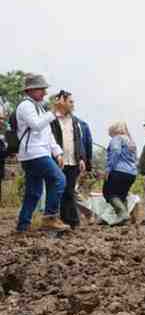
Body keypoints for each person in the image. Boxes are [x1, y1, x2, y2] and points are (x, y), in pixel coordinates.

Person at [14, 73, 69, 233]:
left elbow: (47, 133)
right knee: (59, 179)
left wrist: (57, 152)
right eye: (42, 89)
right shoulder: (26, 106)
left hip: (35, 153)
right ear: (31, 90)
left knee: (34, 192)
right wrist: (54, 111)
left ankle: (23, 226)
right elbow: (37, 125)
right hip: (34, 153)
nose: (45, 93)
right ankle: (50, 218)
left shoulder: (39, 107)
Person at [50, 90, 87, 229]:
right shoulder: (52, 120)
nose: (73, 104)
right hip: (57, 161)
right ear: (62, 102)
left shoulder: (75, 120)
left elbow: (78, 141)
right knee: (59, 190)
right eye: (70, 101)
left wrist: (82, 158)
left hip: (73, 161)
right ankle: (60, 219)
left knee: (69, 191)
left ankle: (71, 221)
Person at [103, 121, 138, 225]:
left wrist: (108, 168)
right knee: (122, 195)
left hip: (118, 170)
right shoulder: (131, 141)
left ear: (114, 131)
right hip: (131, 172)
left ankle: (123, 214)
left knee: (109, 193)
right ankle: (125, 220)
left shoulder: (117, 139)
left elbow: (115, 151)